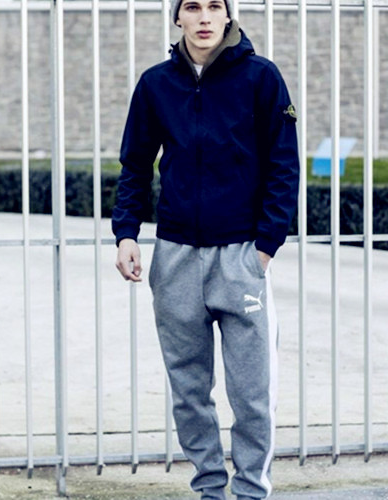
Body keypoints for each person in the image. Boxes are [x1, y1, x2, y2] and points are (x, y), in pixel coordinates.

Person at [112, 0, 300, 497]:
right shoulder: (156, 84)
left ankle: (251, 490)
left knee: (253, 392)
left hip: (242, 257)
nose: (204, 17)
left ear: (228, 16)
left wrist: (265, 248)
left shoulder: (261, 78)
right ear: (178, 17)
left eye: (214, 6)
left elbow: (284, 165)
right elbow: (134, 166)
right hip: (175, 257)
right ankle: (210, 488)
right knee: (189, 391)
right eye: (192, 6)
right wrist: (126, 233)